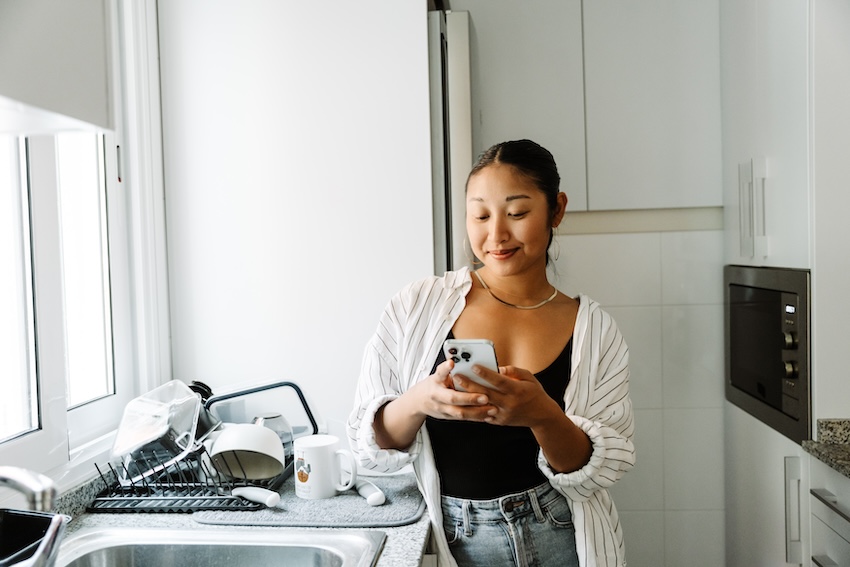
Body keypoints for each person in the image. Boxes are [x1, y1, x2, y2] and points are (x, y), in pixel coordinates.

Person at [347, 139, 635, 567]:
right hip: (456, 537)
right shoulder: (417, 305)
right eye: (480, 215)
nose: (496, 234)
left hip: (559, 532)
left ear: (556, 210)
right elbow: (369, 444)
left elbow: (601, 469)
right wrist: (420, 400)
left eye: (517, 213)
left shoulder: (594, 329)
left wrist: (543, 415)